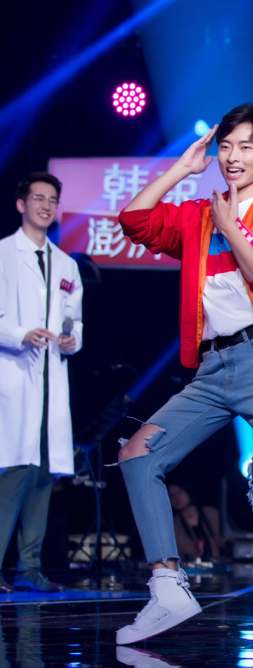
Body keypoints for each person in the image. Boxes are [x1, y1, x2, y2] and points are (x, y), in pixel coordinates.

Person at [113, 103, 253, 646]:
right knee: (137, 455)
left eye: (246, 146)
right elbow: (133, 221)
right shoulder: (199, 217)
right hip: (212, 366)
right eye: (226, 145)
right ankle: (167, 587)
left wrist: (234, 231)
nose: (232, 156)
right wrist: (180, 171)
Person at [0, 171, 83, 594]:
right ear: (21, 204)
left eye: (52, 199)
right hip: (15, 375)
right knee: (14, 473)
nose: (45, 206)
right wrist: (20, 334)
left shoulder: (66, 264)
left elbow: (76, 320)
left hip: (51, 380)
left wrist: (72, 340)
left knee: (43, 477)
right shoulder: (3, 255)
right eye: (38, 198)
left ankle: (29, 568)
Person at [169, 484, 229, 563]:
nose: (176, 498)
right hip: (190, 567)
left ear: (188, 491)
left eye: (179, 492)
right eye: (171, 495)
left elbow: (227, 542)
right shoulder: (173, 524)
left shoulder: (211, 513)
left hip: (219, 565)